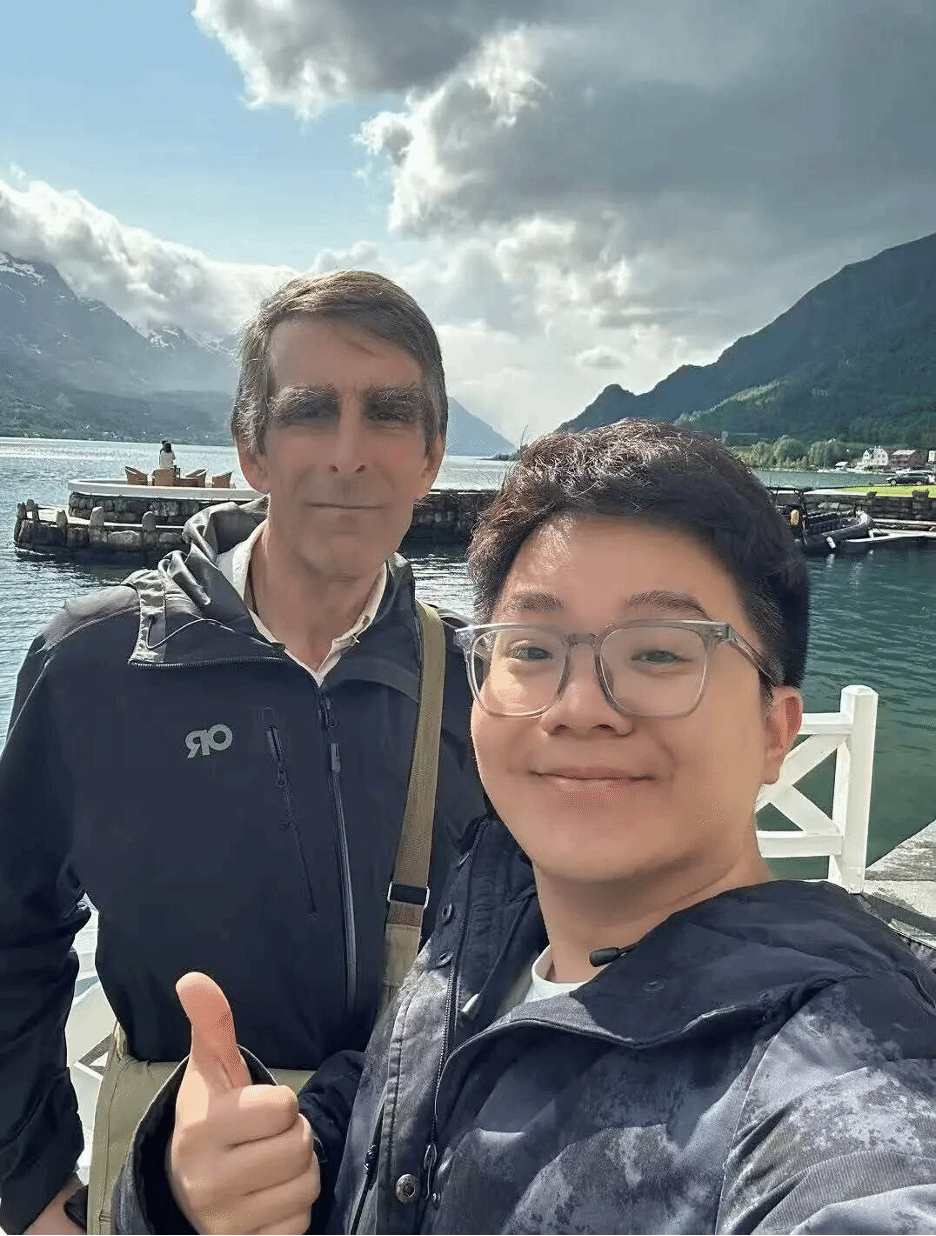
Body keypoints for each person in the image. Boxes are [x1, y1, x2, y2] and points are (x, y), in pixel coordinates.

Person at [116, 420, 936, 1235]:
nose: (579, 706)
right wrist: (218, 1178)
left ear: (774, 730)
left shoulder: (838, 1081)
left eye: (659, 653)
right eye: (533, 650)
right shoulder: (492, 919)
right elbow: (399, 1100)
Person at [0, 271, 489, 1235]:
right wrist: (32, 1188)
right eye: (310, 412)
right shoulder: (97, 665)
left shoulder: (480, 685)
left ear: (432, 454)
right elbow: (12, 931)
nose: (349, 453)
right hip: (164, 1189)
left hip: (417, 1178)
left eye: (389, 414)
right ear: (250, 449)